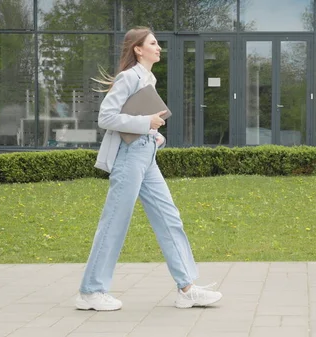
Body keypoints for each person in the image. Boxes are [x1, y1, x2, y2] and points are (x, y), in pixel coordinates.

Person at [75, 26, 222, 311]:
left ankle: (187, 288)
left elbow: (139, 118)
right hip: (129, 158)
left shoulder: (147, 78)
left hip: (146, 154)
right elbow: (106, 117)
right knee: (114, 222)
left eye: (158, 44)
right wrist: (146, 124)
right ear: (138, 49)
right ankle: (90, 292)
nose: (159, 48)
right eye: (153, 43)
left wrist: (153, 134)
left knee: (169, 218)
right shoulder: (128, 77)